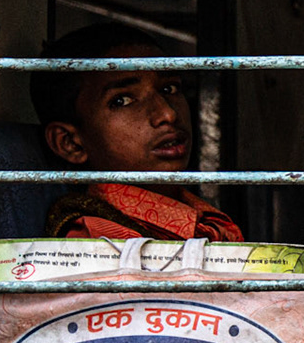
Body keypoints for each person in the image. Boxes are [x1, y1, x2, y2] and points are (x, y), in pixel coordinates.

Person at [30, 23, 243, 242]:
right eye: (122, 101)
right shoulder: (98, 240)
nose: (167, 114)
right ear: (70, 143)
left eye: (169, 89)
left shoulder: (207, 221)